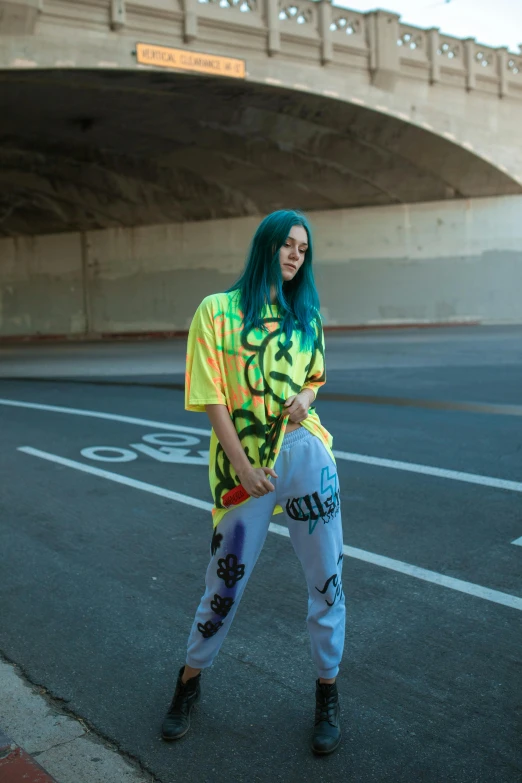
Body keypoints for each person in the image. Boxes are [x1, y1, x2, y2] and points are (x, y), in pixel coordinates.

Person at [161, 209, 345, 755]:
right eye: (286, 244)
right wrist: (242, 466)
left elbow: (314, 378)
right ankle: (188, 683)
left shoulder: (306, 315)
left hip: (307, 455)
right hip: (244, 471)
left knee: (326, 581)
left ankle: (327, 692)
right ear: (265, 245)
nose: (294, 255)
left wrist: (304, 400)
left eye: (303, 249)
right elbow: (210, 393)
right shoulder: (215, 313)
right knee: (224, 585)